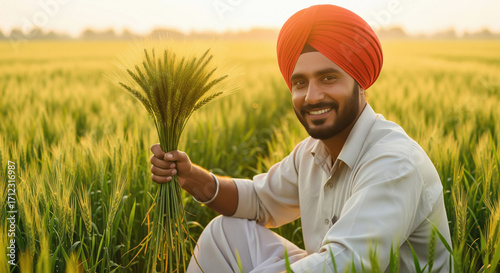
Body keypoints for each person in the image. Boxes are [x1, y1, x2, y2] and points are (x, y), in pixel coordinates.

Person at [150, 4, 452, 273]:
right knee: (224, 233)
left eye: (328, 78)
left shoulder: (394, 162)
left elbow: (345, 263)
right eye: (299, 82)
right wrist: (190, 176)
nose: (312, 96)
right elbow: (259, 201)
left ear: (360, 83)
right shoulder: (311, 153)